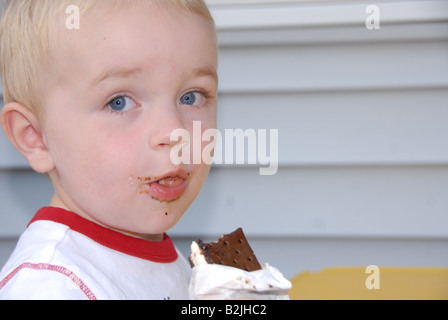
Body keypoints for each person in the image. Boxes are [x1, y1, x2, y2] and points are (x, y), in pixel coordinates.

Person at [0, 0, 218, 300]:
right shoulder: (50, 286)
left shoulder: (160, 259)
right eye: (120, 102)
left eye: (192, 96)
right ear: (36, 137)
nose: (175, 131)